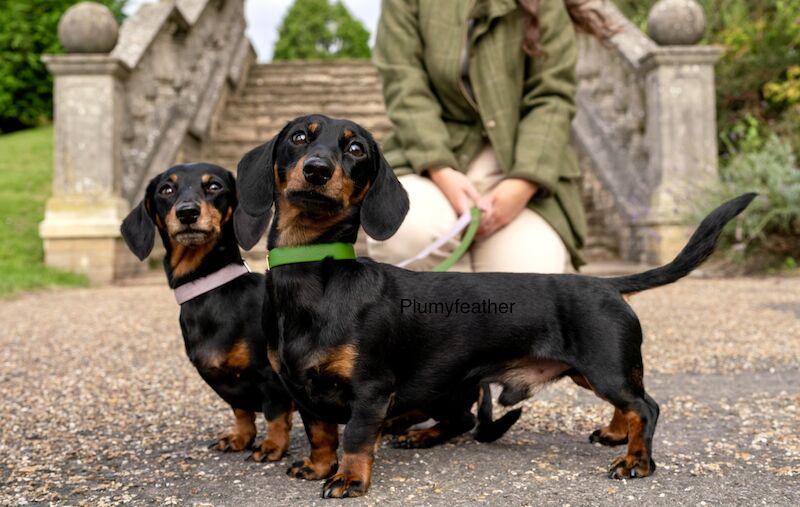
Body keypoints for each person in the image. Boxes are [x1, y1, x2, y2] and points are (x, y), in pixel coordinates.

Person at [369, 0, 611, 273]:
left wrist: (524, 181)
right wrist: (439, 167)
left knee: (527, 279)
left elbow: (552, 96)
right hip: (427, 158)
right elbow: (404, 83)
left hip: (519, 164)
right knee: (406, 232)